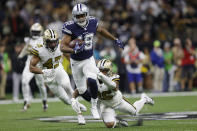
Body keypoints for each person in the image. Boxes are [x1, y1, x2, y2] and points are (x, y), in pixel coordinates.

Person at [60, 3, 124, 119]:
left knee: (92, 79)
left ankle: (94, 106)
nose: (80, 18)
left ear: (87, 14)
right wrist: (73, 50)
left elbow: (101, 30)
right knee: (82, 90)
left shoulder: (93, 22)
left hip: (88, 59)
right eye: (78, 16)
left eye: (82, 15)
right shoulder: (70, 27)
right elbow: (62, 47)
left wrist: (115, 39)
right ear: (74, 16)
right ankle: (97, 104)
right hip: (75, 62)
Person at [71, 59, 154, 127]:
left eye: (104, 70)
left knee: (134, 112)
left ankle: (144, 99)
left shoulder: (114, 76)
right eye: (100, 70)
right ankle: (118, 121)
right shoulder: (93, 78)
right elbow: (80, 89)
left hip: (117, 101)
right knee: (110, 125)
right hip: (105, 104)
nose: (101, 72)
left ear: (109, 70)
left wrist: (103, 77)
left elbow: (115, 87)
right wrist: (73, 99)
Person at [29, 29, 86, 115]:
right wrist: (43, 71)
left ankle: (79, 113)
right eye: (50, 42)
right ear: (45, 41)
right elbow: (31, 68)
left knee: (67, 86)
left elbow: (68, 56)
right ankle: (77, 104)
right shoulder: (39, 49)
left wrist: (75, 65)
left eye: (54, 42)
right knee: (66, 100)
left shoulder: (60, 45)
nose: (53, 44)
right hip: (48, 76)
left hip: (58, 68)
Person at [18, 23, 48, 111]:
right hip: (29, 64)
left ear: (41, 32)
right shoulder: (28, 40)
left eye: (36, 32)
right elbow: (25, 49)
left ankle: (44, 101)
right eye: (33, 32)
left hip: (39, 65)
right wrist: (20, 57)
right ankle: (26, 101)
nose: (35, 34)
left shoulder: (44, 40)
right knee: (24, 82)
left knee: (41, 85)